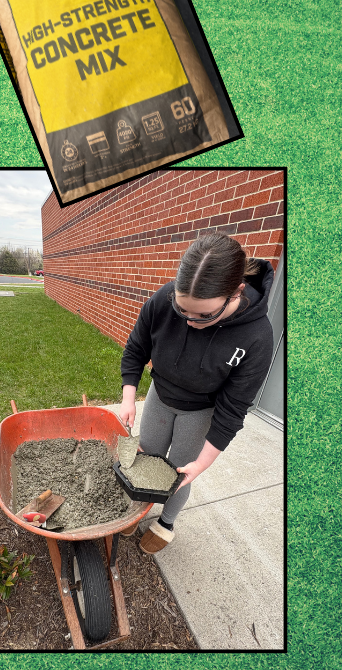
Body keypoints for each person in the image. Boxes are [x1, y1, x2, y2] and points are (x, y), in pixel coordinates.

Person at [117, 232, 274, 554]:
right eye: (182, 309)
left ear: (236, 293)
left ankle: (166, 523)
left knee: (178, 472)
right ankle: (139, 508)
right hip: (161, 395)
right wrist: (129, 397)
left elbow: (234, 409)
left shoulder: (257, 336)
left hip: (201, 410)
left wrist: (201, 464)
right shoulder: (163, 299)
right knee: (146, 460)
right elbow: (136, 349)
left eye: (204, 315)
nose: (189, 322)